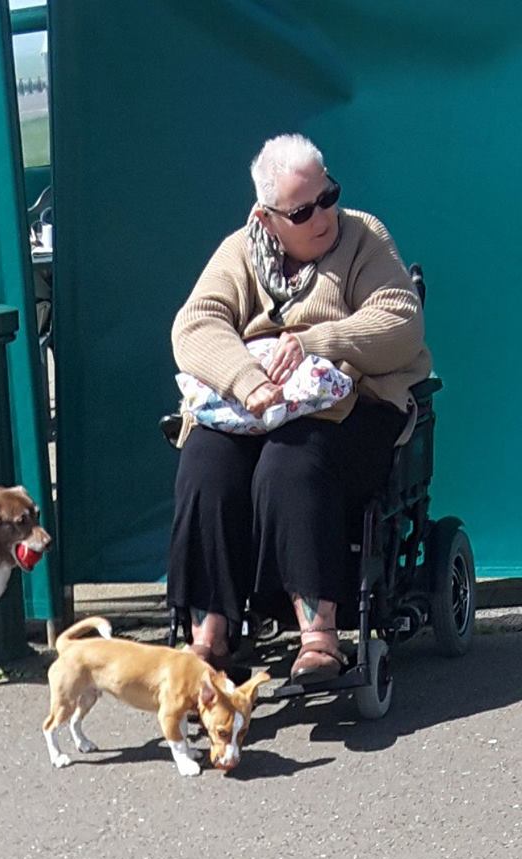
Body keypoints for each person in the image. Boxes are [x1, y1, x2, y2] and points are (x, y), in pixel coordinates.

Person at [167, 133, 431, 685]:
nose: (324, 214)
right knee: (204, 464)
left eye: (328, 195)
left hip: (354, 406)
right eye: (304, 209)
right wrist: (247, 380)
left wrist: (318, 342)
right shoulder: (238, 251)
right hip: (257, 407)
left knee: (289, 462)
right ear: (267, 218)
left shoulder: (363, 236)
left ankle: (319, 636)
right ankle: (210, 635)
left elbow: (401, 322)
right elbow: (195, 326)